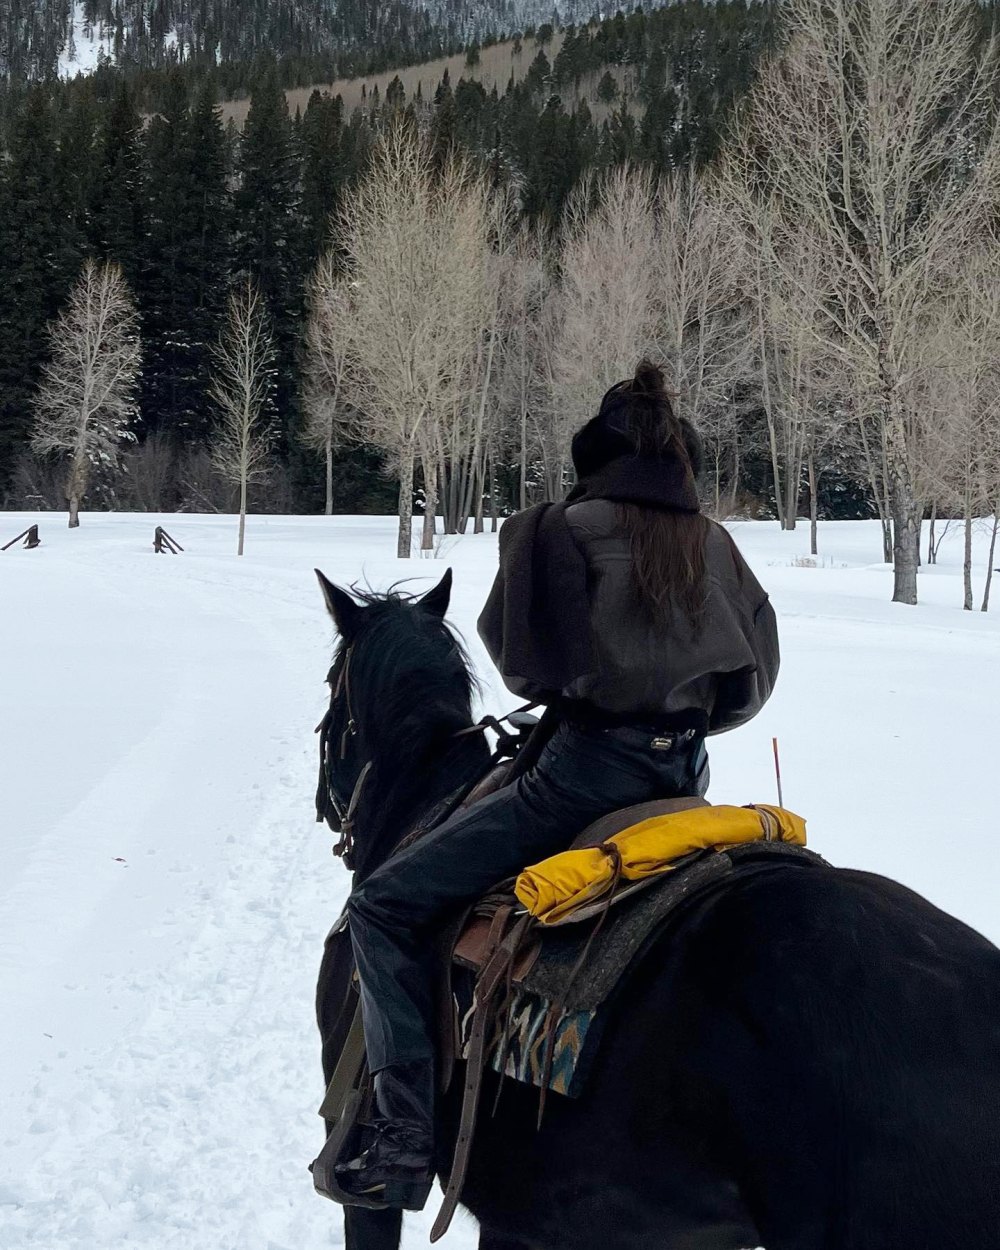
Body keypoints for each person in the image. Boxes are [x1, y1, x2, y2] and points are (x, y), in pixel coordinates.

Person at [335, 361, 780, 1210]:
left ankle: (400, 1136)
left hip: (577, 783)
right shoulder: (717, 543)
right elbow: (754, 682)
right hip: (685, 781)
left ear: (596, 454)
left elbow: (522, 666)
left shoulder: (553, 530)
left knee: (381, 909)